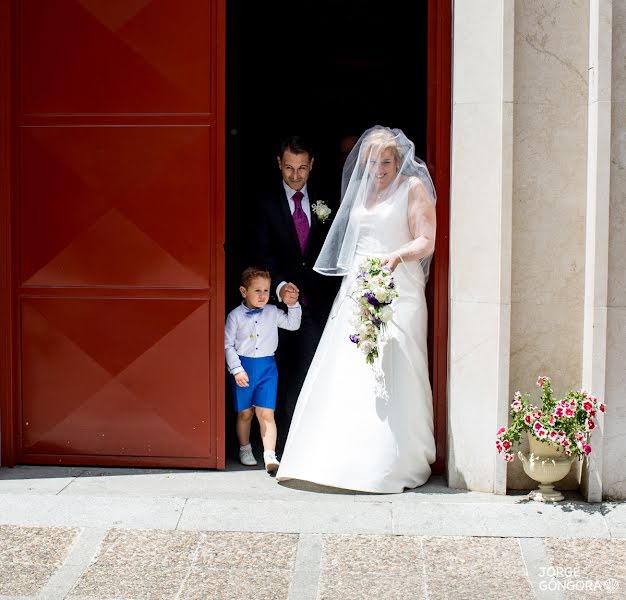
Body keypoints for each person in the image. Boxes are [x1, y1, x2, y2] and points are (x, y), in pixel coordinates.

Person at [276, 125, 437, 493]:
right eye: (372, 162)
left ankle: (394, 457)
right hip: (358, 285)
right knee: (346, 365)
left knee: (392, 367)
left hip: (398, 289)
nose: (378, 169)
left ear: (399, 161)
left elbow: (426, 240)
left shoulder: (412, 189)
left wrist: (396, 256)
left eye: (385, 161)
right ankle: (333, 454)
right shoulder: (361, 191)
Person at [255, 136, 340, 454]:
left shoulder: (327, 199)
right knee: (274, 372)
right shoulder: (264, 203)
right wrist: (279, 286)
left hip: (315, 307)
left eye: (302, 168)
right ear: (279, 163)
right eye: (289, 167)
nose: (295, 175)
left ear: (312, 165)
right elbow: (259, 253)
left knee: (307, 372)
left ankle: (299, 443)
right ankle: (270, 444)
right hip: (276, 308)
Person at [224, 267, 301, 473]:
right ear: (243, 291)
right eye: (257, 291)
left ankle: (269, 454)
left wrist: (292, 305)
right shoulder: (235, 316)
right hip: (244, 368)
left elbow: (293, 325)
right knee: (245, 413)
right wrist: (237, 369)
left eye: (266, 291)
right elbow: (227, 345)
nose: (262, 295)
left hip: (267, 369)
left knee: (266, 413)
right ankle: (245, 448)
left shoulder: (273, 313)